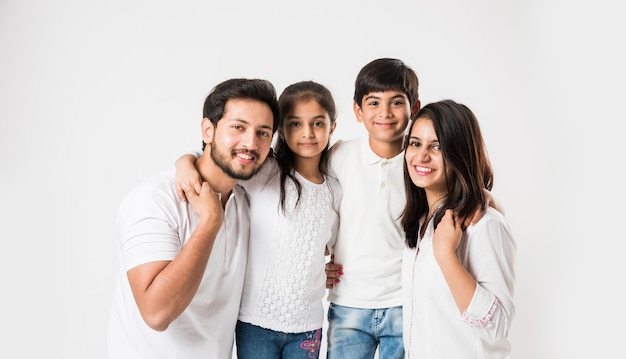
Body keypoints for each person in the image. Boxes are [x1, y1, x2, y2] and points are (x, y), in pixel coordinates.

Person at [107, 78, 280, 359]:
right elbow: (156, 313)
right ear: (208, 130)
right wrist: (210, 222)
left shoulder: (249, 199)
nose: (250, 142)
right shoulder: (153, 200)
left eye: (263, 132)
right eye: (238, 127)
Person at [174, 81, 342, 359]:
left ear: (332, 127)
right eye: (295, 124)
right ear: (281, 131)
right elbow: (224, 160)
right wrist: (184, 161)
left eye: (317, 124)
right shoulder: (267, 173)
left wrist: (322, 269)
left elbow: (327, 246)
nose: (307, 133)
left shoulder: (334, 190)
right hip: (256, 322)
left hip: (308, 325)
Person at [400, 100, 516, 358]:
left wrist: (446, 256)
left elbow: (497, 326)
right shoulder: (419, 223)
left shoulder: (484, 225)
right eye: (415, 143)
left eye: (437, 146)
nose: (421, 156)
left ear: (460, 154)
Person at [323, 58, 421, 359]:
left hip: (405, 304)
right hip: (349, 303)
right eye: (374, 102)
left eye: (396, 102)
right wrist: (317, 262)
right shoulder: (340, 155)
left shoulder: (421, 163)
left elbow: (464, 185)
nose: (385, 113)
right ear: (358, 111)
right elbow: (309, 197)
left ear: (414, 108)